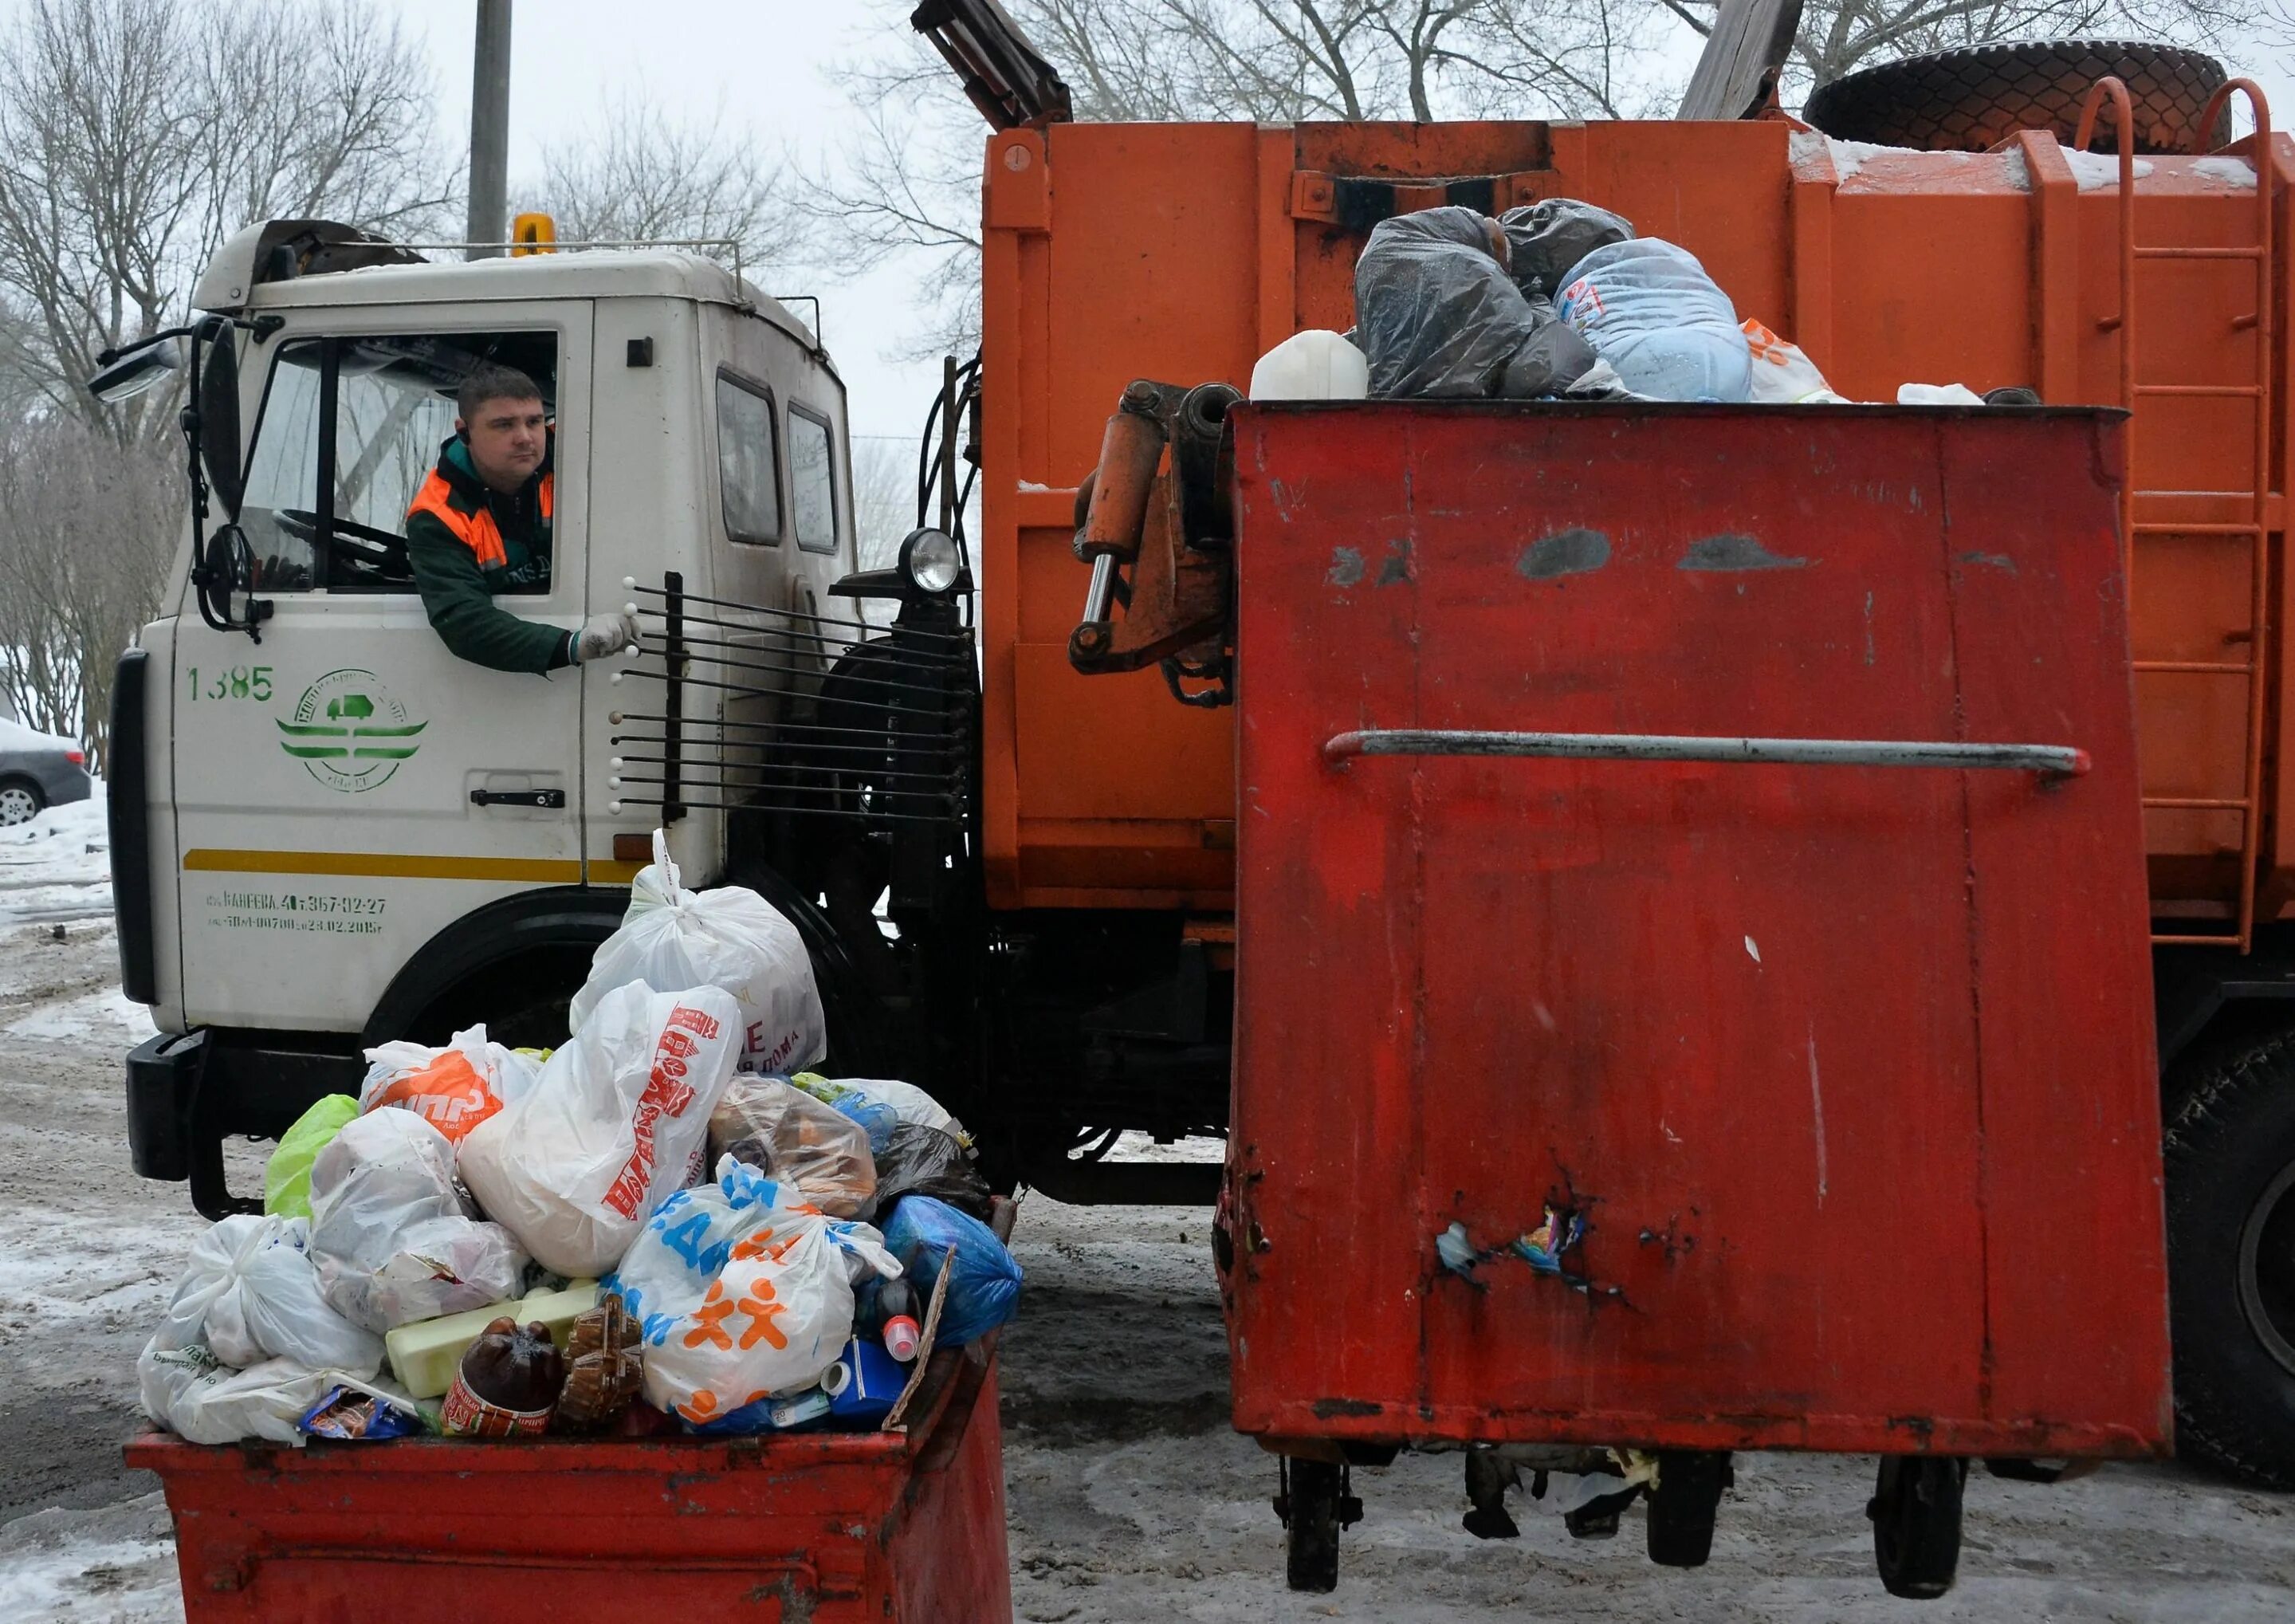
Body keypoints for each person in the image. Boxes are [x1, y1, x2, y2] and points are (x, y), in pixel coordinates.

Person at [406, 362, 639, 672]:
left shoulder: (585, 458)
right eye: (504, 425)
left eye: (535, 421)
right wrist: (572, 646)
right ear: (464, 432)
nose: (525, 437)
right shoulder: (437, 515)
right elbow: (465, 624)